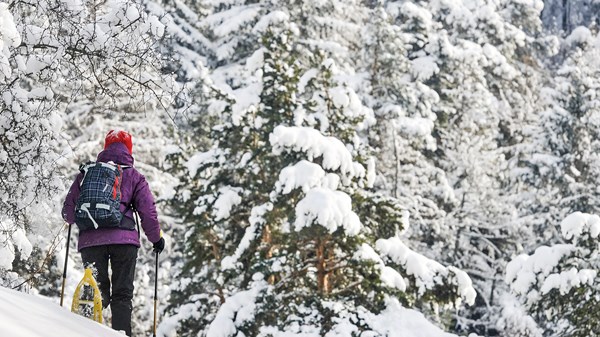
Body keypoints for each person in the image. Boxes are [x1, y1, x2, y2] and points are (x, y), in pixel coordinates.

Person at [62, 130, 165, 336]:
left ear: (105, 147)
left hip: (91, 242)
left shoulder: (87, 173)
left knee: (95, 294)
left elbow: (68, 214)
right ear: (130, 149)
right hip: (124, 242)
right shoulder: (135, 177)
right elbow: (148, 212)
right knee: (122, 295)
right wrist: (156, 239)